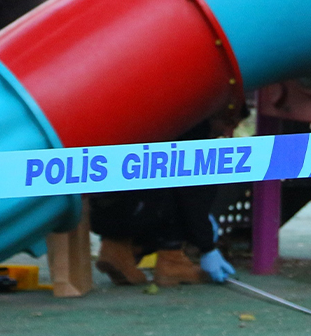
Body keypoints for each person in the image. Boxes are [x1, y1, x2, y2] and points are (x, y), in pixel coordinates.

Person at [90, 119, 237, 287]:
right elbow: (191, 196)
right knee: (188, 180)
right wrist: (207, 247)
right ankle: (171, 259)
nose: (227, 132)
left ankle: (117, 248)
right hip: (145, 208)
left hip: (102, 203)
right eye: (229, 123)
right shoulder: (192, 120)